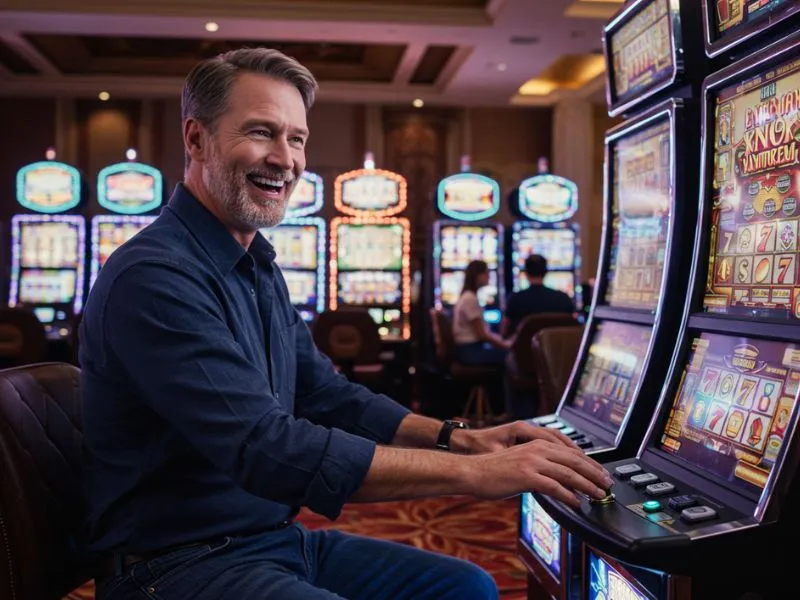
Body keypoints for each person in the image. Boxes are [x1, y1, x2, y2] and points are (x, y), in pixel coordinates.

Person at [79, 47, 614, 600]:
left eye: (297, 138)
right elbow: (265, 449)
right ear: (196, 139)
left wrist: (458, 440)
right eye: (261, 132)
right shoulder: (155, 276)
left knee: (467, 587)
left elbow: (324, 392)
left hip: (268, 539)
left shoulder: (255, 264)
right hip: (174, 563)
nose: (284, 158)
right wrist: (472, 476)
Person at [500, 254, 575, 338]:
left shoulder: (515, 299)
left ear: (525, 273)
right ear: (546, 272)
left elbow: (504, 331)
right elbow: (572, 329)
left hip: (523, 350)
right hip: (557, 349)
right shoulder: (563, 298)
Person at [452, 260, 510, 367]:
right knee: (510, 356)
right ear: (477, 276)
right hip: (470, 351)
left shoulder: (468, 296)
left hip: (469, 349)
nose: (489, 276)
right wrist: (505, 345)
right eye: (486, 273)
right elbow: (482, 335)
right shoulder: (470, 299)